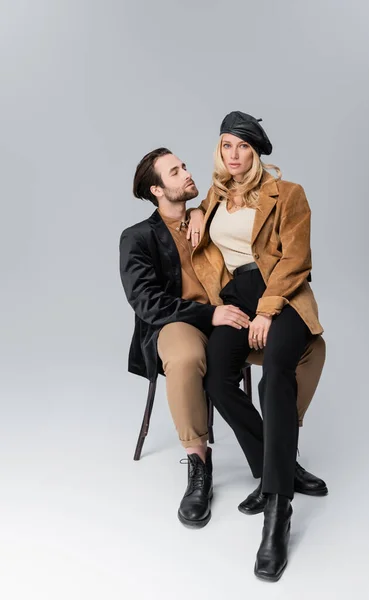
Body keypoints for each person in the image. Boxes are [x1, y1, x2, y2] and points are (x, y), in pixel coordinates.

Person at [119, 146, 326, 534]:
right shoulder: (138, 237)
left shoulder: (209, 211)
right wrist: (208, 314)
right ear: (157, 191)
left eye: (184, 166)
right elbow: (147, 301)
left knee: (311, 348)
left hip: (230, 312)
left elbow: (239, 220)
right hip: (178, 320)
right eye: (175, 172)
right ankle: (199, 465)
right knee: (185, 359)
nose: (186, 173)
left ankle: (277, 456)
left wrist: (198, 212)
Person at [188, 111, 326, 581]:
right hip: (237, 297)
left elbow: (297, 258)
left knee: (273, 378)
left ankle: (277, 510)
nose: (234, 155)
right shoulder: (213, 198)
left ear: (258, 152)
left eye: (243, 147)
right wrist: (194, 214)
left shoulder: (288, 194)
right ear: (219, 152)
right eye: (227, 146)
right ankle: (279, 464)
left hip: (282, 294)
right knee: (217, 378)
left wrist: (268, 309)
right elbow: (206, 243)